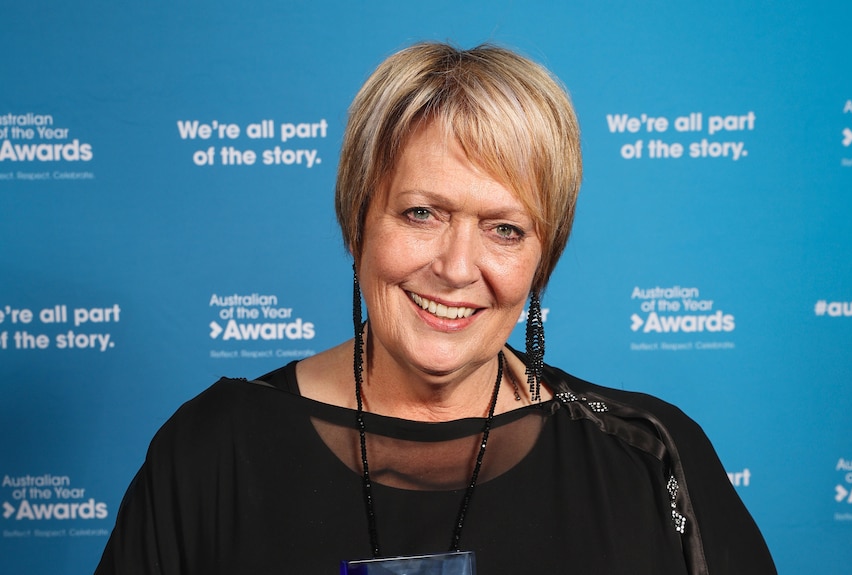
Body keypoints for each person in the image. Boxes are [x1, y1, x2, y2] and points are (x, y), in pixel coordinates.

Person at [96, 42, 776, 574]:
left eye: (504, 228)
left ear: (544, 255)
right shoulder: (214, 451)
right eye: (422, 213)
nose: (455, 267)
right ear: (358, 221)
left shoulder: (649, 457)